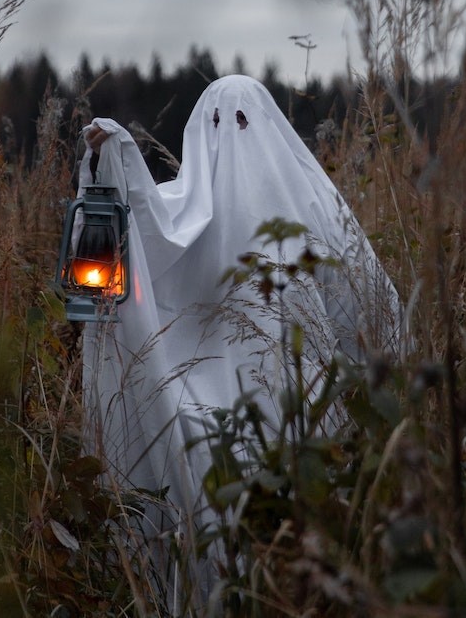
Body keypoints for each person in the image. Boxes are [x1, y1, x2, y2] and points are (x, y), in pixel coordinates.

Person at [74, 74, 402, 603]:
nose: (232, 138)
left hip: (299, 403)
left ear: (270, 128)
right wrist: (113, 157)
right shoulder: (185, 209)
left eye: (244, 122)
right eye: (218, 124)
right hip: (200, 403)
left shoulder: (311, 208)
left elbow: (364, 304)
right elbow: (144, 229)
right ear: (200, 135)